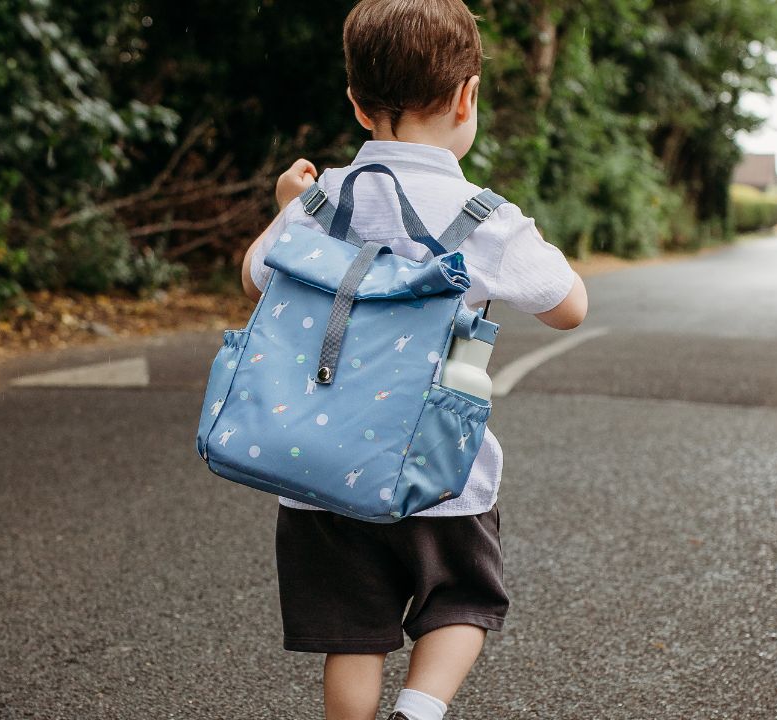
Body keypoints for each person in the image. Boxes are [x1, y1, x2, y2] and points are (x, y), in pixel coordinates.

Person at [239, 1, 587, 718]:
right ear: (468, 97)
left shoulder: (323, 198)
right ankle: (419, 710)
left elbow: (255, 275)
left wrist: (286, 205)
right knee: (461, 600)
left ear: (358, 105)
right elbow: (567, 306)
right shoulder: (485, 216)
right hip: (439, 473)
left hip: (321, 467)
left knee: (354, 635)